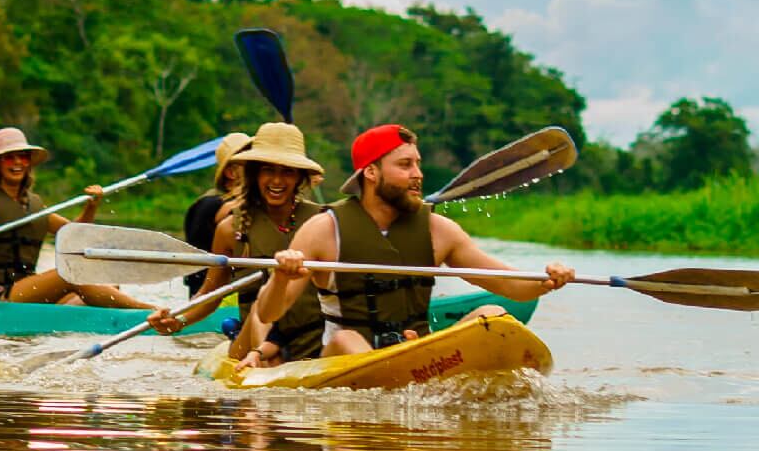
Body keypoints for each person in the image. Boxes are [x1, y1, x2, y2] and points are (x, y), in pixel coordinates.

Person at [252, 124, 575, 358]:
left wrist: (547, 280)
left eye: (417, 164)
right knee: (346, 339)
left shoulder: (439, 230)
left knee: (492, 313)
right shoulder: (323, 229)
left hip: (417, 351)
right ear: (371, 173)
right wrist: (281, 276)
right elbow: (268, 313)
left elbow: (510, 285)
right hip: (345, 356)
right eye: (405, 165)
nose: (418, 174)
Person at [154, 123, 327, 365]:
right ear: (255, 174)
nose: (277, 180)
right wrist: (179, 320)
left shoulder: (323, 220)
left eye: (288, 171)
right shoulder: (229, 229)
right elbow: (211, 293)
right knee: (259, 310)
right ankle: (265, 362)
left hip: (312, 336)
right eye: (268, 170)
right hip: (253, 338)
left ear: (299, 176)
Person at [0, 127, 155, 309]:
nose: (17, 162)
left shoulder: (35, 207)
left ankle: (114, 319)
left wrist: (91, 206)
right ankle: (149, 311)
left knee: (104, 280)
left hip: (27, 291)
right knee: (70, 273)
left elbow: (75, 235)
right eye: (9, 157)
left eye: (23, 156)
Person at [181, 132, 251, 293]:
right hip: (211, 294)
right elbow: (232, 212)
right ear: (231, 172)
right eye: (250, 163)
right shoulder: (209, 205)